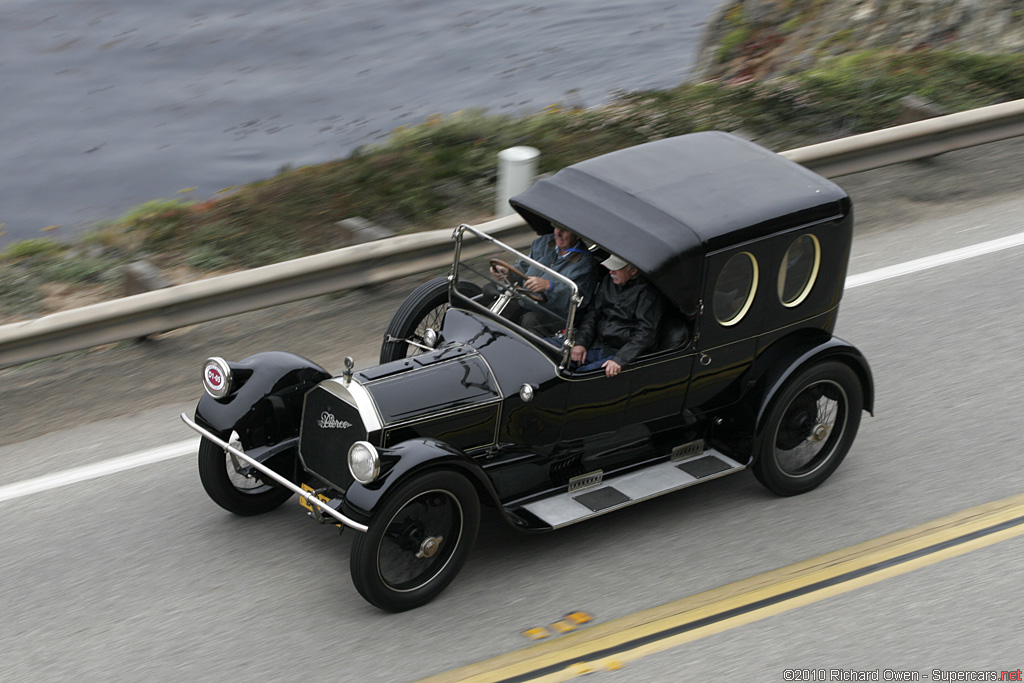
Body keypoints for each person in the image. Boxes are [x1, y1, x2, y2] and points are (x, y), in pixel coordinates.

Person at [490, 224, 599, 334]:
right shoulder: (544, 243)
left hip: (557, 313)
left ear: (577, 235)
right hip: (527, 299)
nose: (558, 233)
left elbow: (578, 300)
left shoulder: (585, 265)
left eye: (565, 230)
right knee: (499, 308)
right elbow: (524, 266)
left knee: (531, 320)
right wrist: (508, 272)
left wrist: (549, 286)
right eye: (557, 227)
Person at [570, 254, 665, 377]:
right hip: (595, 344)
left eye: (617, 268)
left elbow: (646, 332)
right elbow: (593, 313)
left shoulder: (648, 293)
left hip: (617, 351)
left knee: (581, 375)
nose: (611, 271)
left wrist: (620, 359)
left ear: (633, 270)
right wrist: (580, 343)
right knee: (557, 357)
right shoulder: (609, 280)